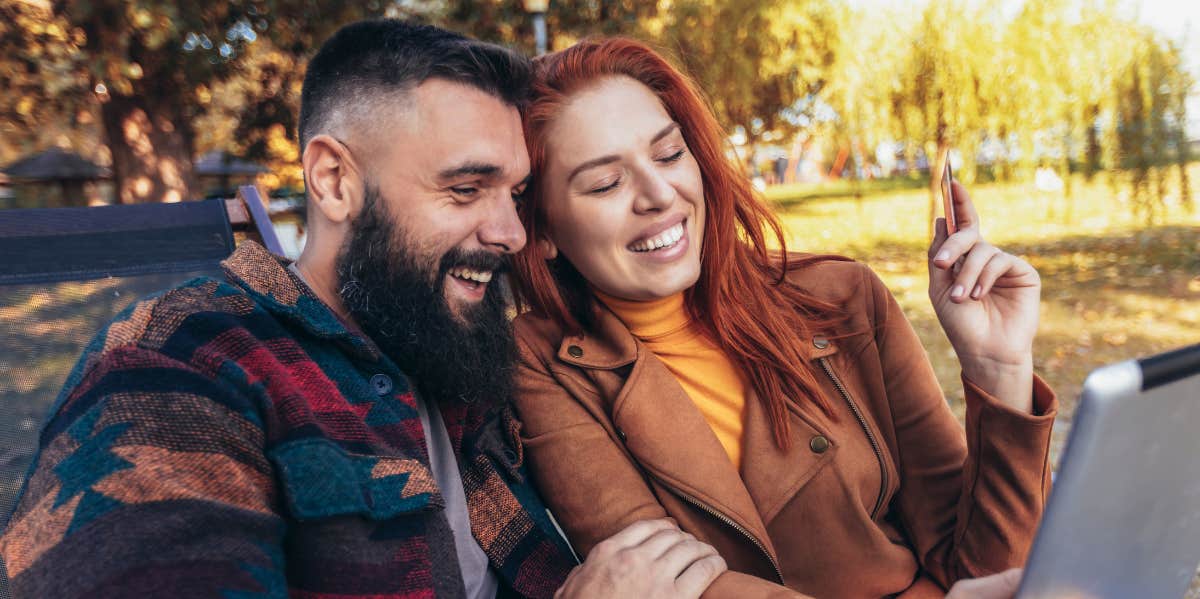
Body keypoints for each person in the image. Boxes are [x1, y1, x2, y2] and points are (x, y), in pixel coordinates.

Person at [0, 21, 728, 598]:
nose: (510, 232)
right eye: (466, 189)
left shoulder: (449, 348)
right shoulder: (176, 370)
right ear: (333, 181)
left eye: (513, 193)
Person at [509, 37, 1057, 598]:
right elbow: (668, 589)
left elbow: (984, 569)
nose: (658, 195)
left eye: (670, 155)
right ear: (543, 229)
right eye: (606, 183)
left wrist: (999, 369)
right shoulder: (541, 364)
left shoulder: (842, 296)